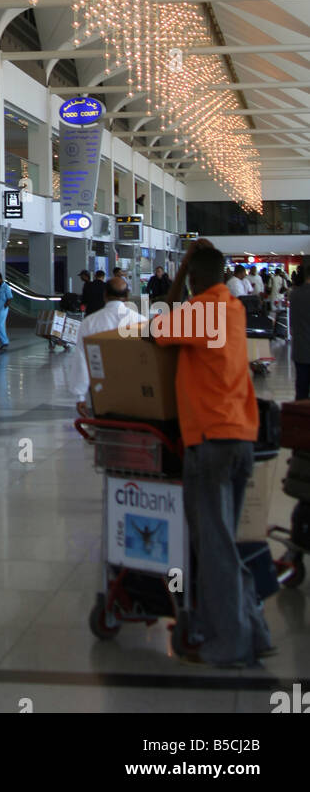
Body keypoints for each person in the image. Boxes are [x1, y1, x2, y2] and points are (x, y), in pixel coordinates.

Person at [152, 244, 272, 667]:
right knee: (226, 542)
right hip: (241, 437)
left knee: (214, 546)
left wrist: (180, 278)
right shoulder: (233, 308)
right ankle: (254, 631)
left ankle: (232, 644)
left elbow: (157, 329)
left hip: (210, 438)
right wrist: (192, 273)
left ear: (195, 279)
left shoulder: (199, 310)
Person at [66, 276, 139, 402]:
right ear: (127, 296)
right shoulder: (140, 321)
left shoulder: (89, 323)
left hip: (100, 391)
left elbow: (81, 359)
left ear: (105, 295)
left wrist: (80, 396)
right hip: (133, 389)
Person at [288, 260, 310, 400]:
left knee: (301, 391)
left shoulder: (295, 295)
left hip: (301, 351)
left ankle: (301, 420)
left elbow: (292, 326)